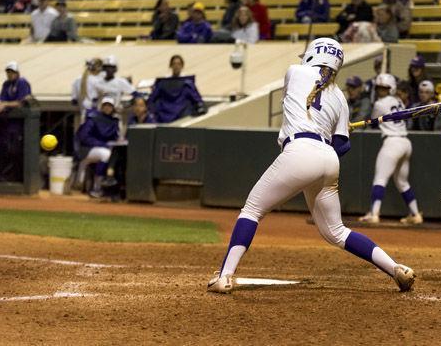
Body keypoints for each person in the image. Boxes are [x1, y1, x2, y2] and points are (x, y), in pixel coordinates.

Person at [207, 38, 416, 294]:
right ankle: (396, 268)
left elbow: (303, 104)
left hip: (300, 151)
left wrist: (323, 127)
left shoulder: (295, 72)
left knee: (251, 211)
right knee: (336, 232)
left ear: (312, 55)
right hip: (328, 159)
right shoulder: (339, 96)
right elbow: (342, 147)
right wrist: (332, 130)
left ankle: (225, 276)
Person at [359, 74, 423, 225]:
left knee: (380, 179)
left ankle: (374, 214)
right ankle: (415, 214)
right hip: (405, 142)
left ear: (391, 88)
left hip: (392, 141)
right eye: (379, 88)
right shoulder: (398, 100)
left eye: (384, 88)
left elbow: (373, 123)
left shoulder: (379, 104)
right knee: (402, 182)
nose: (381, 90)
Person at [75, 96, 120, 198]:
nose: (107, 108)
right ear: (102, 107)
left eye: (110, 106)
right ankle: (97, 188)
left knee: (113, 154)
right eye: (105, 105)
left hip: (105, 148)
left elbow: (116, 138)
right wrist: (102, 144)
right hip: (88, 149)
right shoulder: (93, 118)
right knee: (106, 154)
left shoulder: (114, 121)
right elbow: (84, 137)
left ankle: (112, 187)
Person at [147, 55, 206, 123]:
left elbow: (197, 99)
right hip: (164, 114)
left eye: (178, 64)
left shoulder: (187, 84)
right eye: (174, 64)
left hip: (182, 115)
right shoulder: (163, 83)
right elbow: (152, 99)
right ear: (170, 66)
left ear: (182, 66)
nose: (176, 66)